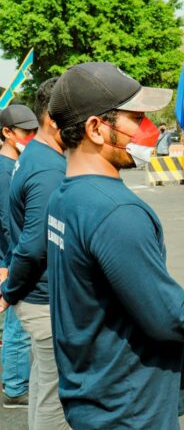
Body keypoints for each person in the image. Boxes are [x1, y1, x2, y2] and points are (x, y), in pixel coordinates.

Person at [44, 62, 184, 429]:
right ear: (96, 129)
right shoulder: (117, 211)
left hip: (91, 394)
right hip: (128, 407)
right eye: (136, 118)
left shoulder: (64, 197)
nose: (148, 130)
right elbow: (171, 318)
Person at [0, 78, 70, 430]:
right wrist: (10, 289)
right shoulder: (46, 168)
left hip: (36, 294)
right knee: (55, 398)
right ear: (54, 120)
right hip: (42, 298)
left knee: (44, 384)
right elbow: (33, 246)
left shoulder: (39, 156)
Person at [0, 104, 36, 409]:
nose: (31, 135)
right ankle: (14, 387)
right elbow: (6, 221)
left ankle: (13, 378)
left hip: (13, 256)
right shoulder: (4, 171)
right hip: (10, 258)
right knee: (17, 325)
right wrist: (13, 263)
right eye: (25, 131)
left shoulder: (17, 165)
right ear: (7, 133)